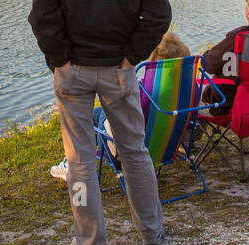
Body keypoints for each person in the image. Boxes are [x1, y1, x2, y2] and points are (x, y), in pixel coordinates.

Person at [29, 0, 172, 245]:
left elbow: (41, 18)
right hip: (118, 71)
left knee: (80, 161)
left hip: (73, 73)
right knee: (134, 151)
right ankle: (152, 232)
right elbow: (159, 15)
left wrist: (61, 60)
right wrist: (131, 57)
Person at [47, 30, 191, 181]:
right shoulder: (189, 89)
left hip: (129, 151)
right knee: (99, 112)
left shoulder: (147, 91)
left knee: (92, 115)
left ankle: (72, 166)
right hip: (167, 146)